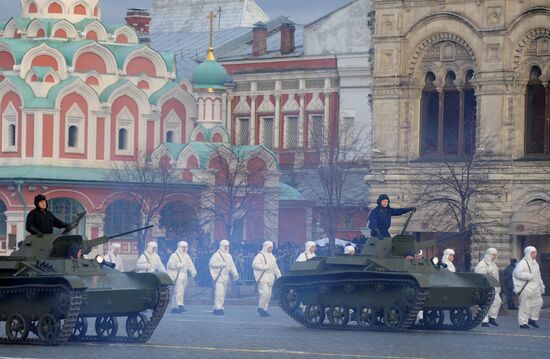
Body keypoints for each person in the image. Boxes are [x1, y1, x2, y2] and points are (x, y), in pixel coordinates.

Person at [513, 246, 545, 329]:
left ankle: (532, 319)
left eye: (535, 252)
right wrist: (529, 276)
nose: (534, 254)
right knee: (525, 305)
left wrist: (542, 286)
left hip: (536, 288)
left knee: (538, 302)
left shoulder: (536, 263)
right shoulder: (523, 263)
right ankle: (523, 323)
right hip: (526, 288)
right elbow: (517, 273)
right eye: (532, 253)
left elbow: (538, 276)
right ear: (528, 253)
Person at [209, 240, 239, 315]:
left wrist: (235, 274)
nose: (226, 247)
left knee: (223, 294)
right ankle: (218, 308)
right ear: (221, 246)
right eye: (225, 246)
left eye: (227, 246)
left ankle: (217, 307)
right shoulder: (216, 255)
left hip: (225, 277)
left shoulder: (229, 255)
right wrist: (220, 264)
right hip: (218, 276)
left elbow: (232, 266)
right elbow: (211, 263)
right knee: (219, 293)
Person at [252, 241, 282, 317]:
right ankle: (260, 308)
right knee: (264, 293)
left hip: (271, 279)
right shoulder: (260, 256)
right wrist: (265, 267)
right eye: (269, 247)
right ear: (265, 247)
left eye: (271, 247)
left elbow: (276, 268)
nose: (271, 249)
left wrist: (279, 276)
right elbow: (254, 265)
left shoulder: (272, 256)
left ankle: (264, 309)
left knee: (268, 294)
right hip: (263, 278)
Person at [167, 241, 197, 314]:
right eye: (183, 247)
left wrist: (193, 271)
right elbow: (169, 265)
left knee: (179, 291)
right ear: (179, 247)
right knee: (179, 290)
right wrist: (177, 265)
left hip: (184, 275)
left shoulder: (187, 256)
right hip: (177, 275)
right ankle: (180, 305)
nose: (184, 249)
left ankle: (174, 307)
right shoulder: (174, 255)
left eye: (185, 247)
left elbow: (190, 265)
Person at [475, 248, 502, 327]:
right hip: (486, 287)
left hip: (494, 287)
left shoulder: (494, 265)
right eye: (493, 255)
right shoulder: (482, 263)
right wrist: (488, 269)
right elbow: (478, 272)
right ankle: (484, 320)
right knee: (485, 303)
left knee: (497, 302)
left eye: (495, 255)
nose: (494, 257)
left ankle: (492, 318)